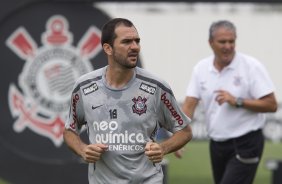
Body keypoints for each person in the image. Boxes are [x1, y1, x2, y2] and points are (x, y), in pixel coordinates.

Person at [63, 18, 193, 184]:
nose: (135, 47)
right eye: (126, 42)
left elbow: (185, 131)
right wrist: (83, 150)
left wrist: (162, 148)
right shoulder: (84, 87)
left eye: (137, 41)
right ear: (108, 48)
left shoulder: (156, 87)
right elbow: (69, 130)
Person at [181, 20, 277, 184]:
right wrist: (180, 135)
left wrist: (238, 101)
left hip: (246, 142)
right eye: (222, 42)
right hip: (217, 144)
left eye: (231, 41)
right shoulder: (201, 69)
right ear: (211, 43)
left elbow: (271, 104)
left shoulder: (251, 66)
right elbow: (190, 104)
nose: (228, 46)